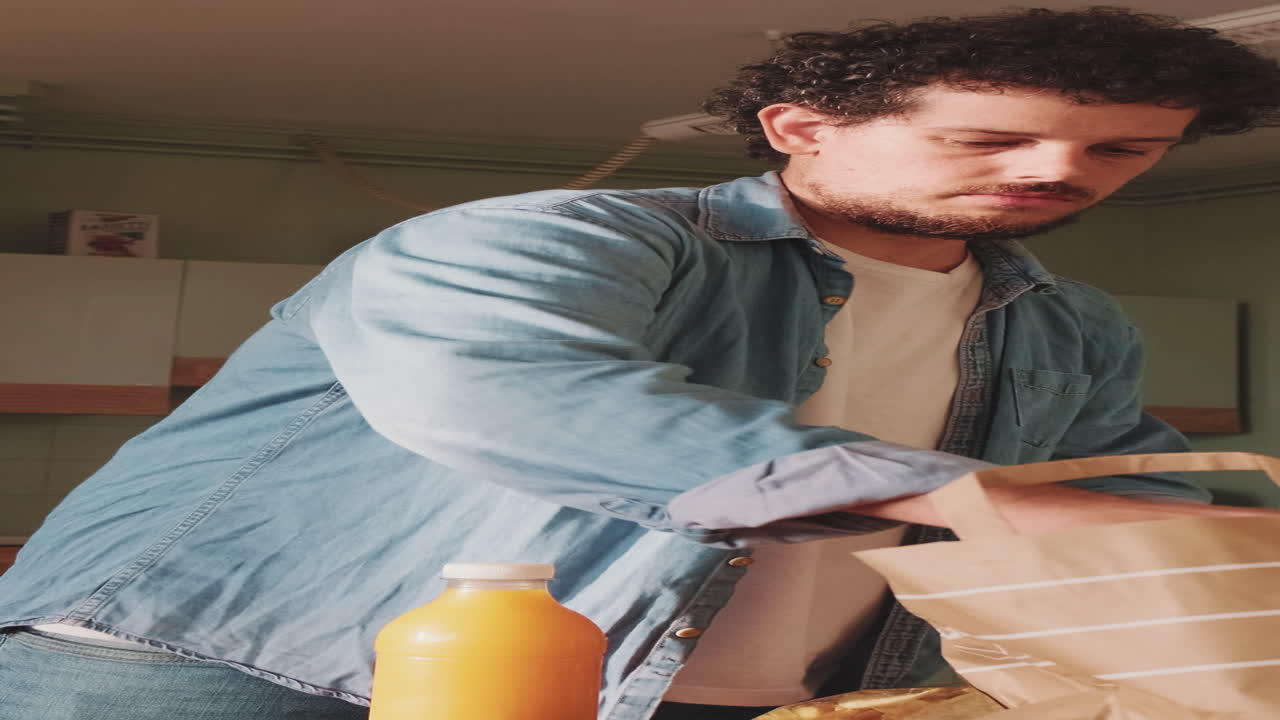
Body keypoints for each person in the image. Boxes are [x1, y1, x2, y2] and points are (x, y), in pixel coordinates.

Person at [2, 7, 1279, 720]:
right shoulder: (542, 238)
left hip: (710, 698)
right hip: (227, 674)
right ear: (801, 130)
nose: (1057, 174)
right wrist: (960, 495)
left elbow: (1145, 503)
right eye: (990, 139)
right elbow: (504, 392)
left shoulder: (1071, 324)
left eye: (1121, 154)